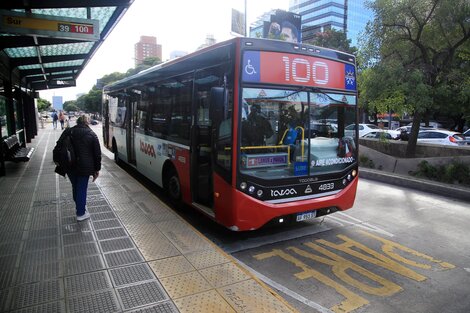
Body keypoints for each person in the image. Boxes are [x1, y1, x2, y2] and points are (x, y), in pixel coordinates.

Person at [58, 114, 101, 221]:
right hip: (84, 167)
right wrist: (97, 169)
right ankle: (81, 213)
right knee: (81, 188)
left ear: (77, 122)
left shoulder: (68, 131)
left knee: (76, 186)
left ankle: (79, 205)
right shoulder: (91, 134)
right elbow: (97, 154)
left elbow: (58, 146)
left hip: (69, 165)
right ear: (87, 122)